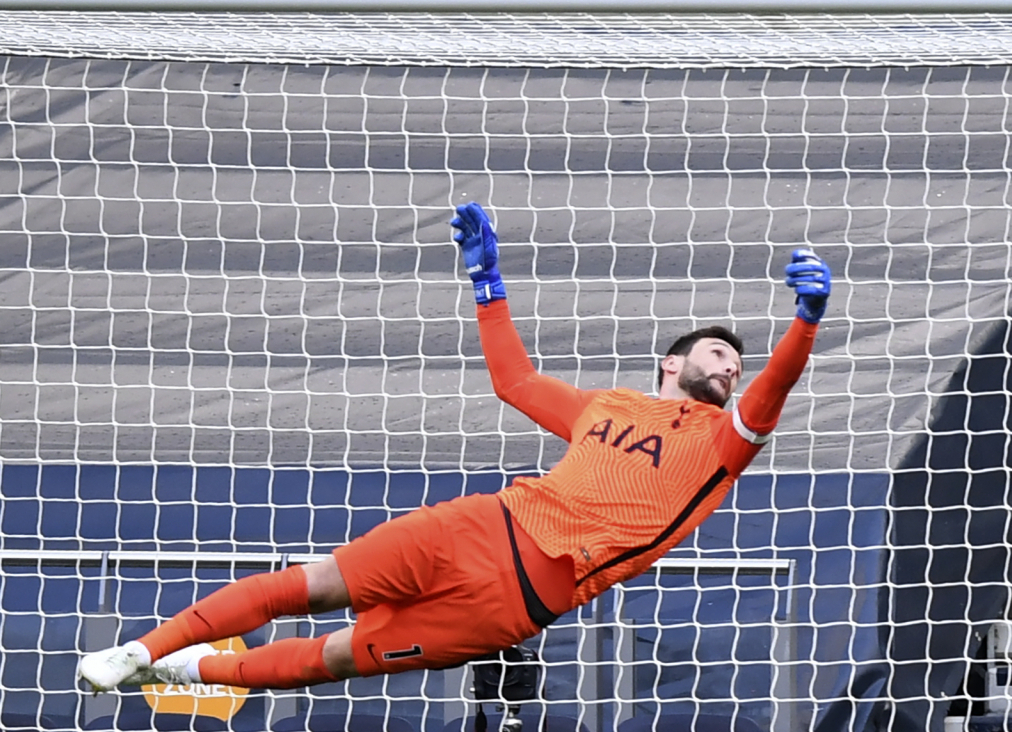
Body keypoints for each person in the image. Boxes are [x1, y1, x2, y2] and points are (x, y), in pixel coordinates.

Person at [77, 202, 832, 693]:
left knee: (334, 657)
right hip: (482, 524)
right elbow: (513, 380)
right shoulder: (607, 408)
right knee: (312, 581)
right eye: (716, 353)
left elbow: (773, 392)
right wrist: (486, 280)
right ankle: (142, 651)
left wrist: (806, 321)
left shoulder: (723, 444)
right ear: (671, 362)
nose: (732, 366)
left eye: (737, 363)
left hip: (514, 602)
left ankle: (194, 669)